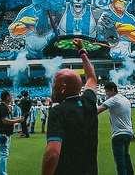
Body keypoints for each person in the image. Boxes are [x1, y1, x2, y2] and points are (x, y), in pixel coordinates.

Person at [42, 37, 100, 175]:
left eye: (55, 84)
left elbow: (53, 153)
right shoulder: (89, 102)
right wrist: (81, 51)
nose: (53, 88)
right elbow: (91, 77)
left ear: (62, 87)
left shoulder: (58, 111)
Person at [98, 81, 135, 175]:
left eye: (107, 92)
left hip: (118, 134)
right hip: (128, 133)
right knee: (126, 158)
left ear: (112, 90)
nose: (106, 94)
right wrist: (132, 132)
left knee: (120, 163)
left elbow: (97, 111)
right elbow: (130, 118)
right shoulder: (125, 99)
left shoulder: (113, 99)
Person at [0, 91, 25, 175]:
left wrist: (17, 118)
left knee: (3, 153)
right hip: (2, 133)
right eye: (11, 96)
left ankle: (1, 171)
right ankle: (2, 173)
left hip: (4, 133)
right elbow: (5, 121)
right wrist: (18, 120)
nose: (12, 97)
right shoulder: (2, 107)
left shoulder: (5, 107)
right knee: (3, 154)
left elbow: (8, 118)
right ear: (7, 97)